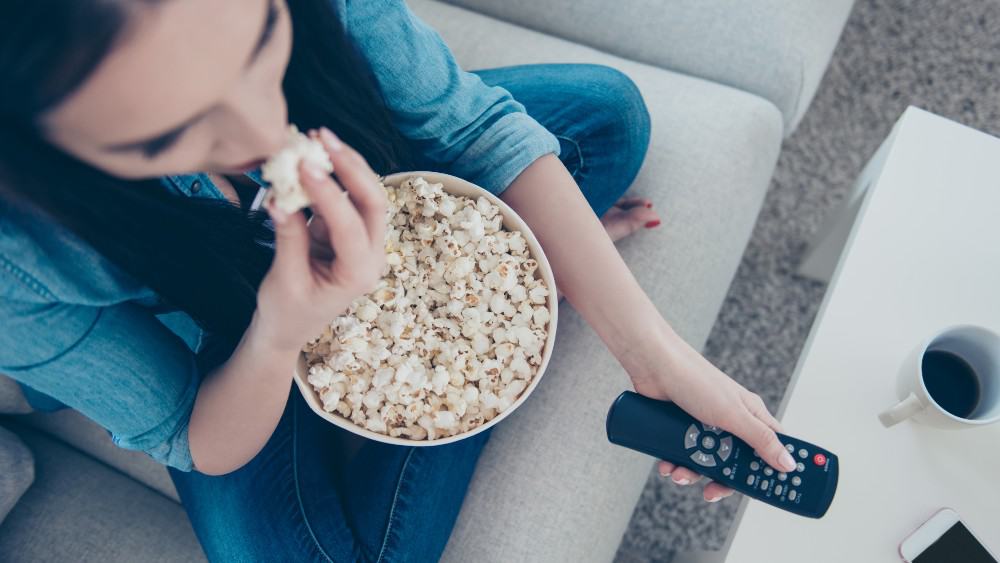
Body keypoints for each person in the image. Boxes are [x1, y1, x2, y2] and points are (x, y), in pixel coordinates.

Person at [0, 0, 797, 560]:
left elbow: (478, 128)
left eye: (259, 37)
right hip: (220, 344)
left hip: (392, 186)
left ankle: (481, 310)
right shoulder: (17, 260)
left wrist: (657, 355)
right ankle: (478, 331)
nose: (263, 130)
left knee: (607, 116)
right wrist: (280, 334)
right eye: (169, 132)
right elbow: (190, 431)